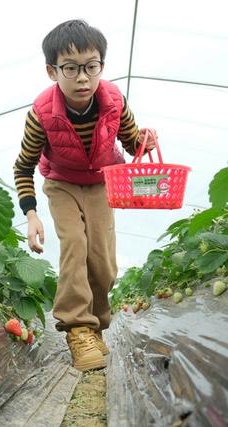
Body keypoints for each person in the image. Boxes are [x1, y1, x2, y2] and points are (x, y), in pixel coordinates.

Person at [13, 19, 157, 371]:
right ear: (52, 71)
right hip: (61, 183)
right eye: (71, 68)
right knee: (75, 244)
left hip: (102, 182)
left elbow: (130, 139)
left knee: (103, 263)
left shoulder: (114, 102)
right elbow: (23, 167)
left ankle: (96, 325)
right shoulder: (41, 115)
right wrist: (31, 215)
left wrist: (144, 142)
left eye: (91, 67)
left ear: (101, 67)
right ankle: (77, 328)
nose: (82, 78)